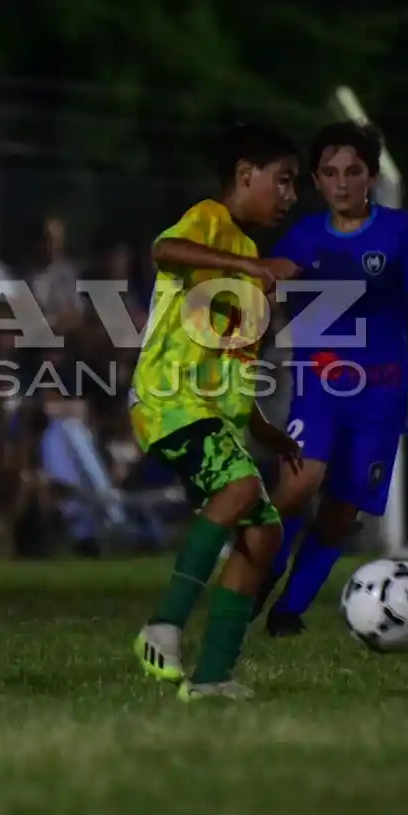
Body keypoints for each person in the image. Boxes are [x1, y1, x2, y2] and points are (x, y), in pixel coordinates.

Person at [129, 121, 304, 701]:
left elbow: (233, 363)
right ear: (245, 174)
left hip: (209, 410)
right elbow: (164, 249)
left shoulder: (248, 256)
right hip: (169, 400)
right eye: (283, 180)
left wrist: (263, 429)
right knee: (241, 489)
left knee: (265, 535)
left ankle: (211, 679)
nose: (290, 196)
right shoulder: (210, 220)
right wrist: (249, 270)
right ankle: (164, 626)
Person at [252, 121, 408, 635]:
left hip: (382, 391)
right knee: (298, 486)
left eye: (353, 171)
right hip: (319, 384)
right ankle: (259, 577)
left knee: (341, 509)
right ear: (317, 180)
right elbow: (268, 290)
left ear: (372, 177)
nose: (342, 183)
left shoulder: (399, 231)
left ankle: (289, 611)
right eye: (331, 173)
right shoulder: (304, 237)